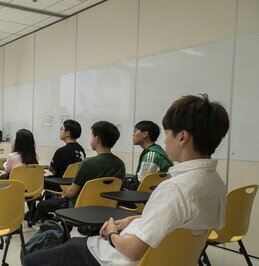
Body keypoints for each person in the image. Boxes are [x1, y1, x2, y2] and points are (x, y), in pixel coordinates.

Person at [23, 94, 229, 266]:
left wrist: (112, 233)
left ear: (182, 137)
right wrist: (134, 219)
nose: (165, 140)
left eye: (167, 133)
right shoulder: (216, 183)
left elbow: (133, 251)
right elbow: (177, 224)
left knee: (32, 260)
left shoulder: (176, 189)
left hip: (115, 257)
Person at [35, 121, 126, 222]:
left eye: (92, 136)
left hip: (79, 207)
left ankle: (58, 232)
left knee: (42, 205)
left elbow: (71, 193)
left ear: (97, 139)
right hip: (107, 208)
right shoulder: (120, 164)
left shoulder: (88, 163)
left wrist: (62, 196)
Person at [126, 121, 173, 190]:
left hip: (146, 196)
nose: (133, 134)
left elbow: (140, 184)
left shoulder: (152, 155)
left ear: (145, 134)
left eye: (135, 131)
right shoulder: (157, 150)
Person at [45, 119, 86, 192]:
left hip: (61, 183)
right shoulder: (81, 150)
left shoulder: (61, 151)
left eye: (61, 129)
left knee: (38, 180)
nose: (60, 131)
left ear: (67, 133)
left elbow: (51, 169)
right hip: (75, 185)